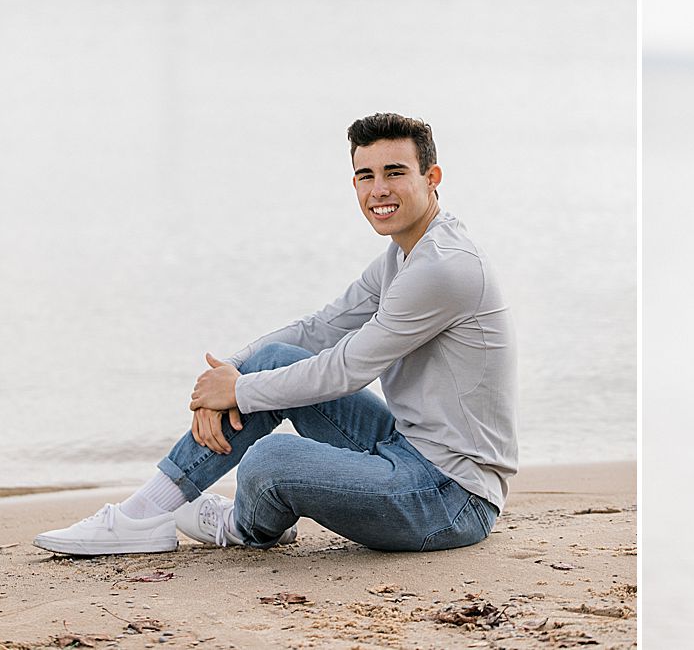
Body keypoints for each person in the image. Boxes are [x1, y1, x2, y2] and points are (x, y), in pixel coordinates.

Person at [36, 112, 517, 555]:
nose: (378, 190)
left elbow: (347, 368)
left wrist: (239, 392)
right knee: (273, 359)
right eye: (366, 176)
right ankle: (143, 514)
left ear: (431, 178)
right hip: (406, 448)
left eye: (395, 172)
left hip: (452, 497)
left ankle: (244, 525)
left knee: (271, 460)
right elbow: (321, 328)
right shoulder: (403, 254)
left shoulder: (443, 269)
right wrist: (232, 372)